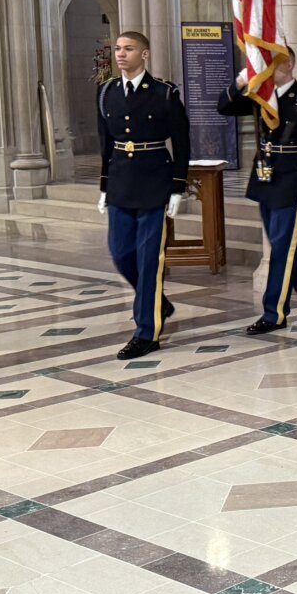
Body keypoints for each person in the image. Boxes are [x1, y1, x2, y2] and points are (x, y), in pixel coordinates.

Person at [218, 47, 297, 334]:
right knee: (286, 245)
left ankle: (274, 313)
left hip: (293, 186)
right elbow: (224, 107)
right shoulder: (262, 97)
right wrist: (240, 82)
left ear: (290, 64)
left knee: (282, 249)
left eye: (274, 63)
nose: (269, 69)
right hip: (266, 181)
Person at [97, 31, 190, 361]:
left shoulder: (164, 94)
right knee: (121, 253)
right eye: (118, 48)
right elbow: (105, 145)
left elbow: (181, 142)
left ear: (145, 54)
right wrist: (105, 187)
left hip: (155, 182)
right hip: (121, 181)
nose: (121, 54)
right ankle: (157, 302)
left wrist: (178, 186)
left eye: (129, 48)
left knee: (150, 260)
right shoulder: (106, 92)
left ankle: (146, 332)